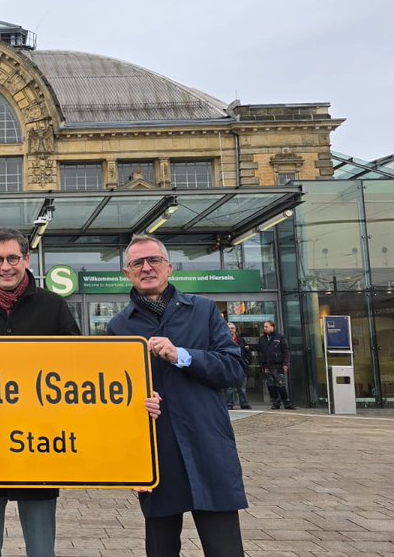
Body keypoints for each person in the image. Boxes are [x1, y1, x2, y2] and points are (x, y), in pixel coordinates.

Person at [107, 234, 247, 557]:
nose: (146, 267)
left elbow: (234, 369)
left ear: (169, 268)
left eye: (154, 260)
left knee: (225, 549)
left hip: (207, 447)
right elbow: (114, 399)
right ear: (127, 274)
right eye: (137, 263)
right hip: (157, 456)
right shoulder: (118, 328)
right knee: (160, 550)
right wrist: (134, 407)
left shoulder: (204, 311)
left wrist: (182, 355)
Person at [0, 227, 78, 557]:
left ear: (27, 259)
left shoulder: (53, 306)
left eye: (12, 258)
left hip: (40, 444)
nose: (6, 266)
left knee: (40, 548)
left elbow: (79, 367)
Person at [257, 321, 295, 410]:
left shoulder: (280, 337)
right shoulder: (262, 339)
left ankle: (286, 402)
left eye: (266, 326)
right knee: (270, 385)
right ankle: (275, 402)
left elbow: (286, 351)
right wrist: (262, 366)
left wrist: (286, 364)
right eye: (264, 327)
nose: (265, 328)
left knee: (280, 384)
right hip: (267, 366)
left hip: (278, 366)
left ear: (272, 327)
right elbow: (260, 353)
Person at [223, 323, 251, 410]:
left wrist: (247, 361)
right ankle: (229, 404)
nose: (231, 330)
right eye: (229, 328)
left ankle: (244, 404)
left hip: (240, 366)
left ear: (235, 329)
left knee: (242, 387)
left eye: (232, 328)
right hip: (229, 365)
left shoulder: (241, 340)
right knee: (229, 387)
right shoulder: (223, 340)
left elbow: (248, 352)